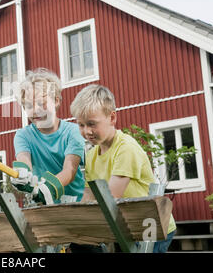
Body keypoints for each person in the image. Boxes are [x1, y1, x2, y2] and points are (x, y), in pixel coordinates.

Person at [70, 84, 177, 253]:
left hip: (152, 226)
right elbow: (88, 194)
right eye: (81, 125)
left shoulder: (125, 148)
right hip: (126, 226)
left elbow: (110, 197)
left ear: (112, 118)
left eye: (92, 124)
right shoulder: (91, 156)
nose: (86, 131)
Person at [10, 68, 86, 206]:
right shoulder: (23, 135)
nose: (35, 110)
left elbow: (70, 170)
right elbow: (24, 162)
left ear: (56, 101)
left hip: (76, 204)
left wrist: (48, 188)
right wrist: (22, 176)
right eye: (28, 106)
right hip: (42, 206)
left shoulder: (73, 131)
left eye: (41, 103)